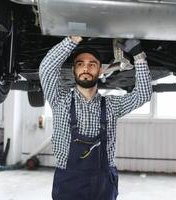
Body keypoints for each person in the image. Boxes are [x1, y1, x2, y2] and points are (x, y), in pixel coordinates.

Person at [39, 35, 152, 200]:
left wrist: (138, 55)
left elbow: (143, 94)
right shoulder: (59, 100)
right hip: (69, 181)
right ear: (74, 70)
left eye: (92, 65)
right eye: (80, 64)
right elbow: (47, 68)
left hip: (103, 183)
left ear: (100, 71)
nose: (86, 68)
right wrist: (72, 39)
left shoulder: (112, 106)